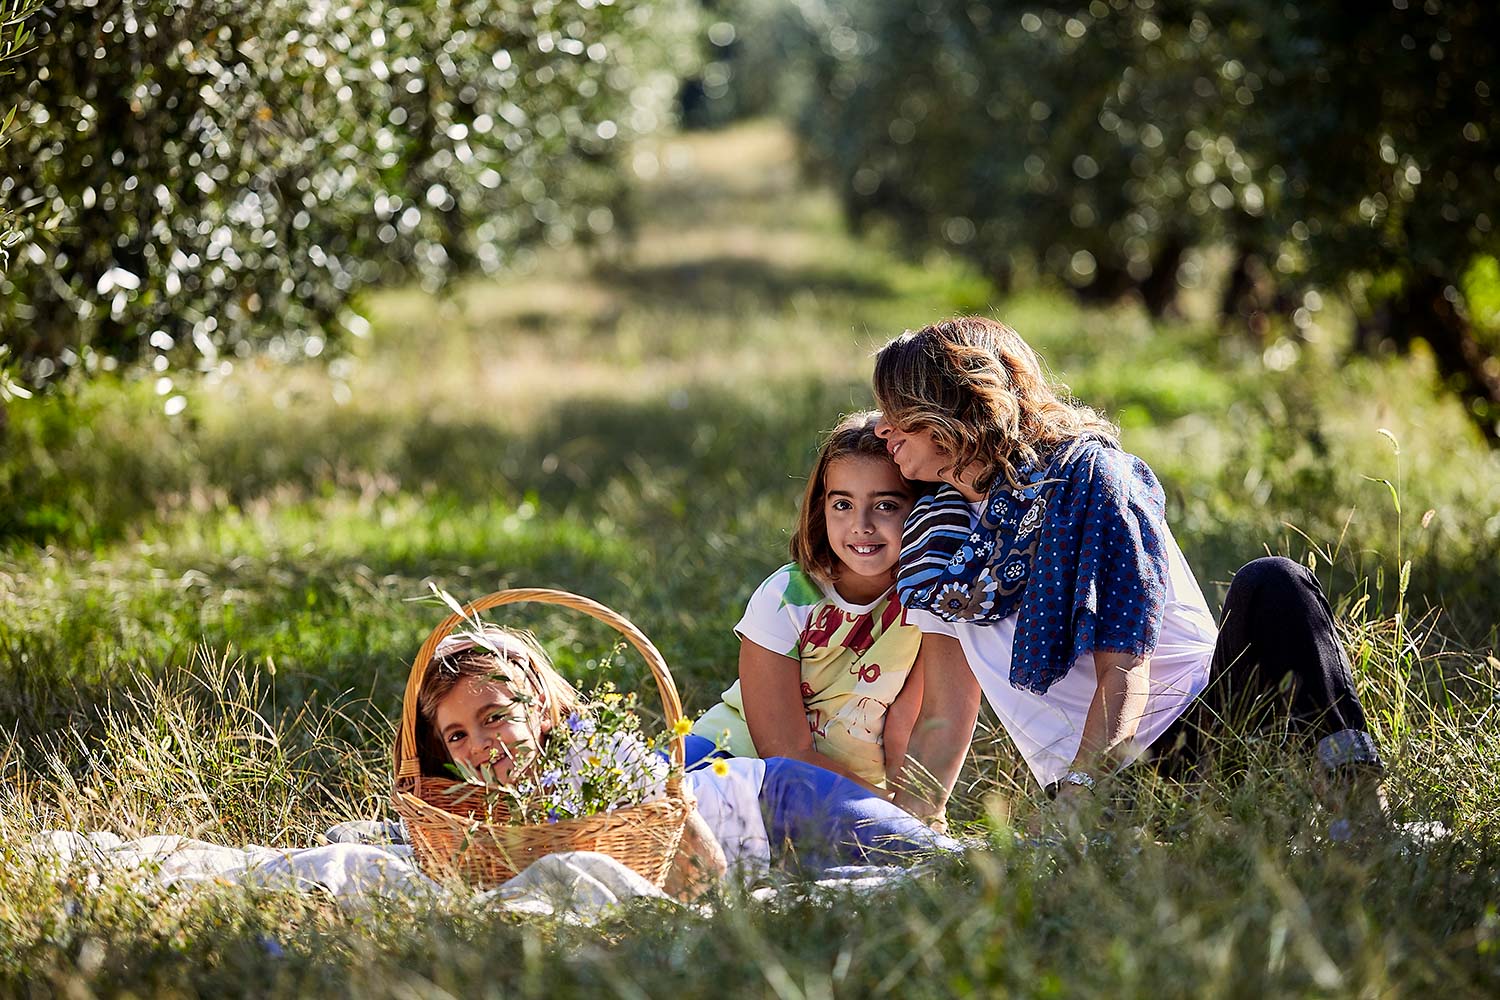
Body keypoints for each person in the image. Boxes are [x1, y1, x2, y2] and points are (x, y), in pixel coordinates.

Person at [869, 316, 1385, 831]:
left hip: (1204, 736)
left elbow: (1124, 670)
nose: (880, 427)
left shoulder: (1093, 482)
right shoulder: (935, 539)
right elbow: (945, 708)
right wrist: (912, 830)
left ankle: (1361, 816)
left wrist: (1082, 795)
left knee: (1274, 582)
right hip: (1098, 785)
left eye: (896, 410)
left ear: (953, 406)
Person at [414, 623, 959, 894]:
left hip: (781, 801)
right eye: (457, 736)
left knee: (942, 864)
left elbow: (697, 849)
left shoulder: (594, 753)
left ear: (539, 706)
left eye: (493, 717)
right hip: (766, 850)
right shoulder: (496, 803)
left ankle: (1026, 857)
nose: (480, 744)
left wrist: (697, 902)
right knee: (886, 886)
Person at [690, 411, 923, 795]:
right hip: (731, 761)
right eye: (843, 505)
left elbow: (907, 731)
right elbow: (785, 753)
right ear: (822, 509)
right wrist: (882, 807)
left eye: (885, 505)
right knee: (633, 801)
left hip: (844, 790)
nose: (861, 524)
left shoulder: (925, 606)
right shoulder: (786, 598)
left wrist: (914, 812)